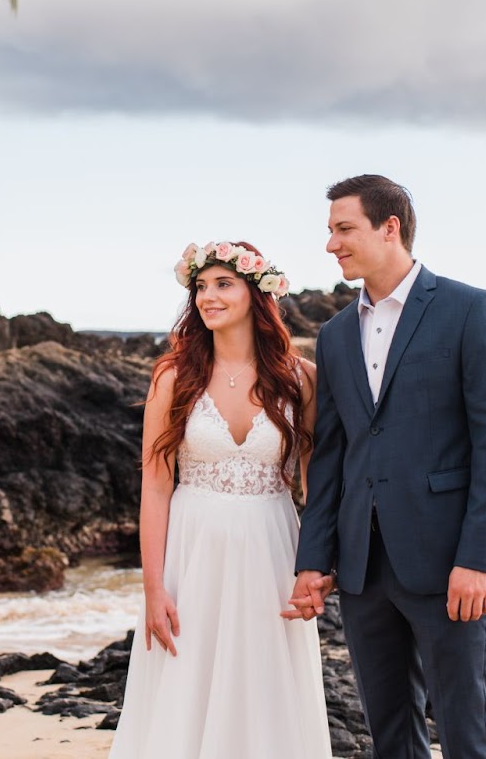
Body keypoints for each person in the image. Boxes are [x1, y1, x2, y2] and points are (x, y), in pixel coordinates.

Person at [285, 175, 486, 759]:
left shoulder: (471, 310)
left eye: (344, 229)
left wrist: (478, 558)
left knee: (469, 736)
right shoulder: (336, 334)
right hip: (363, 569)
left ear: (389, 228)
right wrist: (315, 560)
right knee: (391, 737)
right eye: (330, 231)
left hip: (448, 561)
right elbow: (333, 454)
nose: (331, 244)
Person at [111, 241, 331, 759]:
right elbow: (157, 486)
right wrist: (153, 589)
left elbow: (316, 483)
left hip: (271, 551)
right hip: (191, 555)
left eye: (223, 284)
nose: (208, 296)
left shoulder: (301, 378)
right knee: (185, 687)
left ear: (258, 293)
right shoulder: (172, 377)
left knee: (264, 685)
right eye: (201, 286)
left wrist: (317, 566)